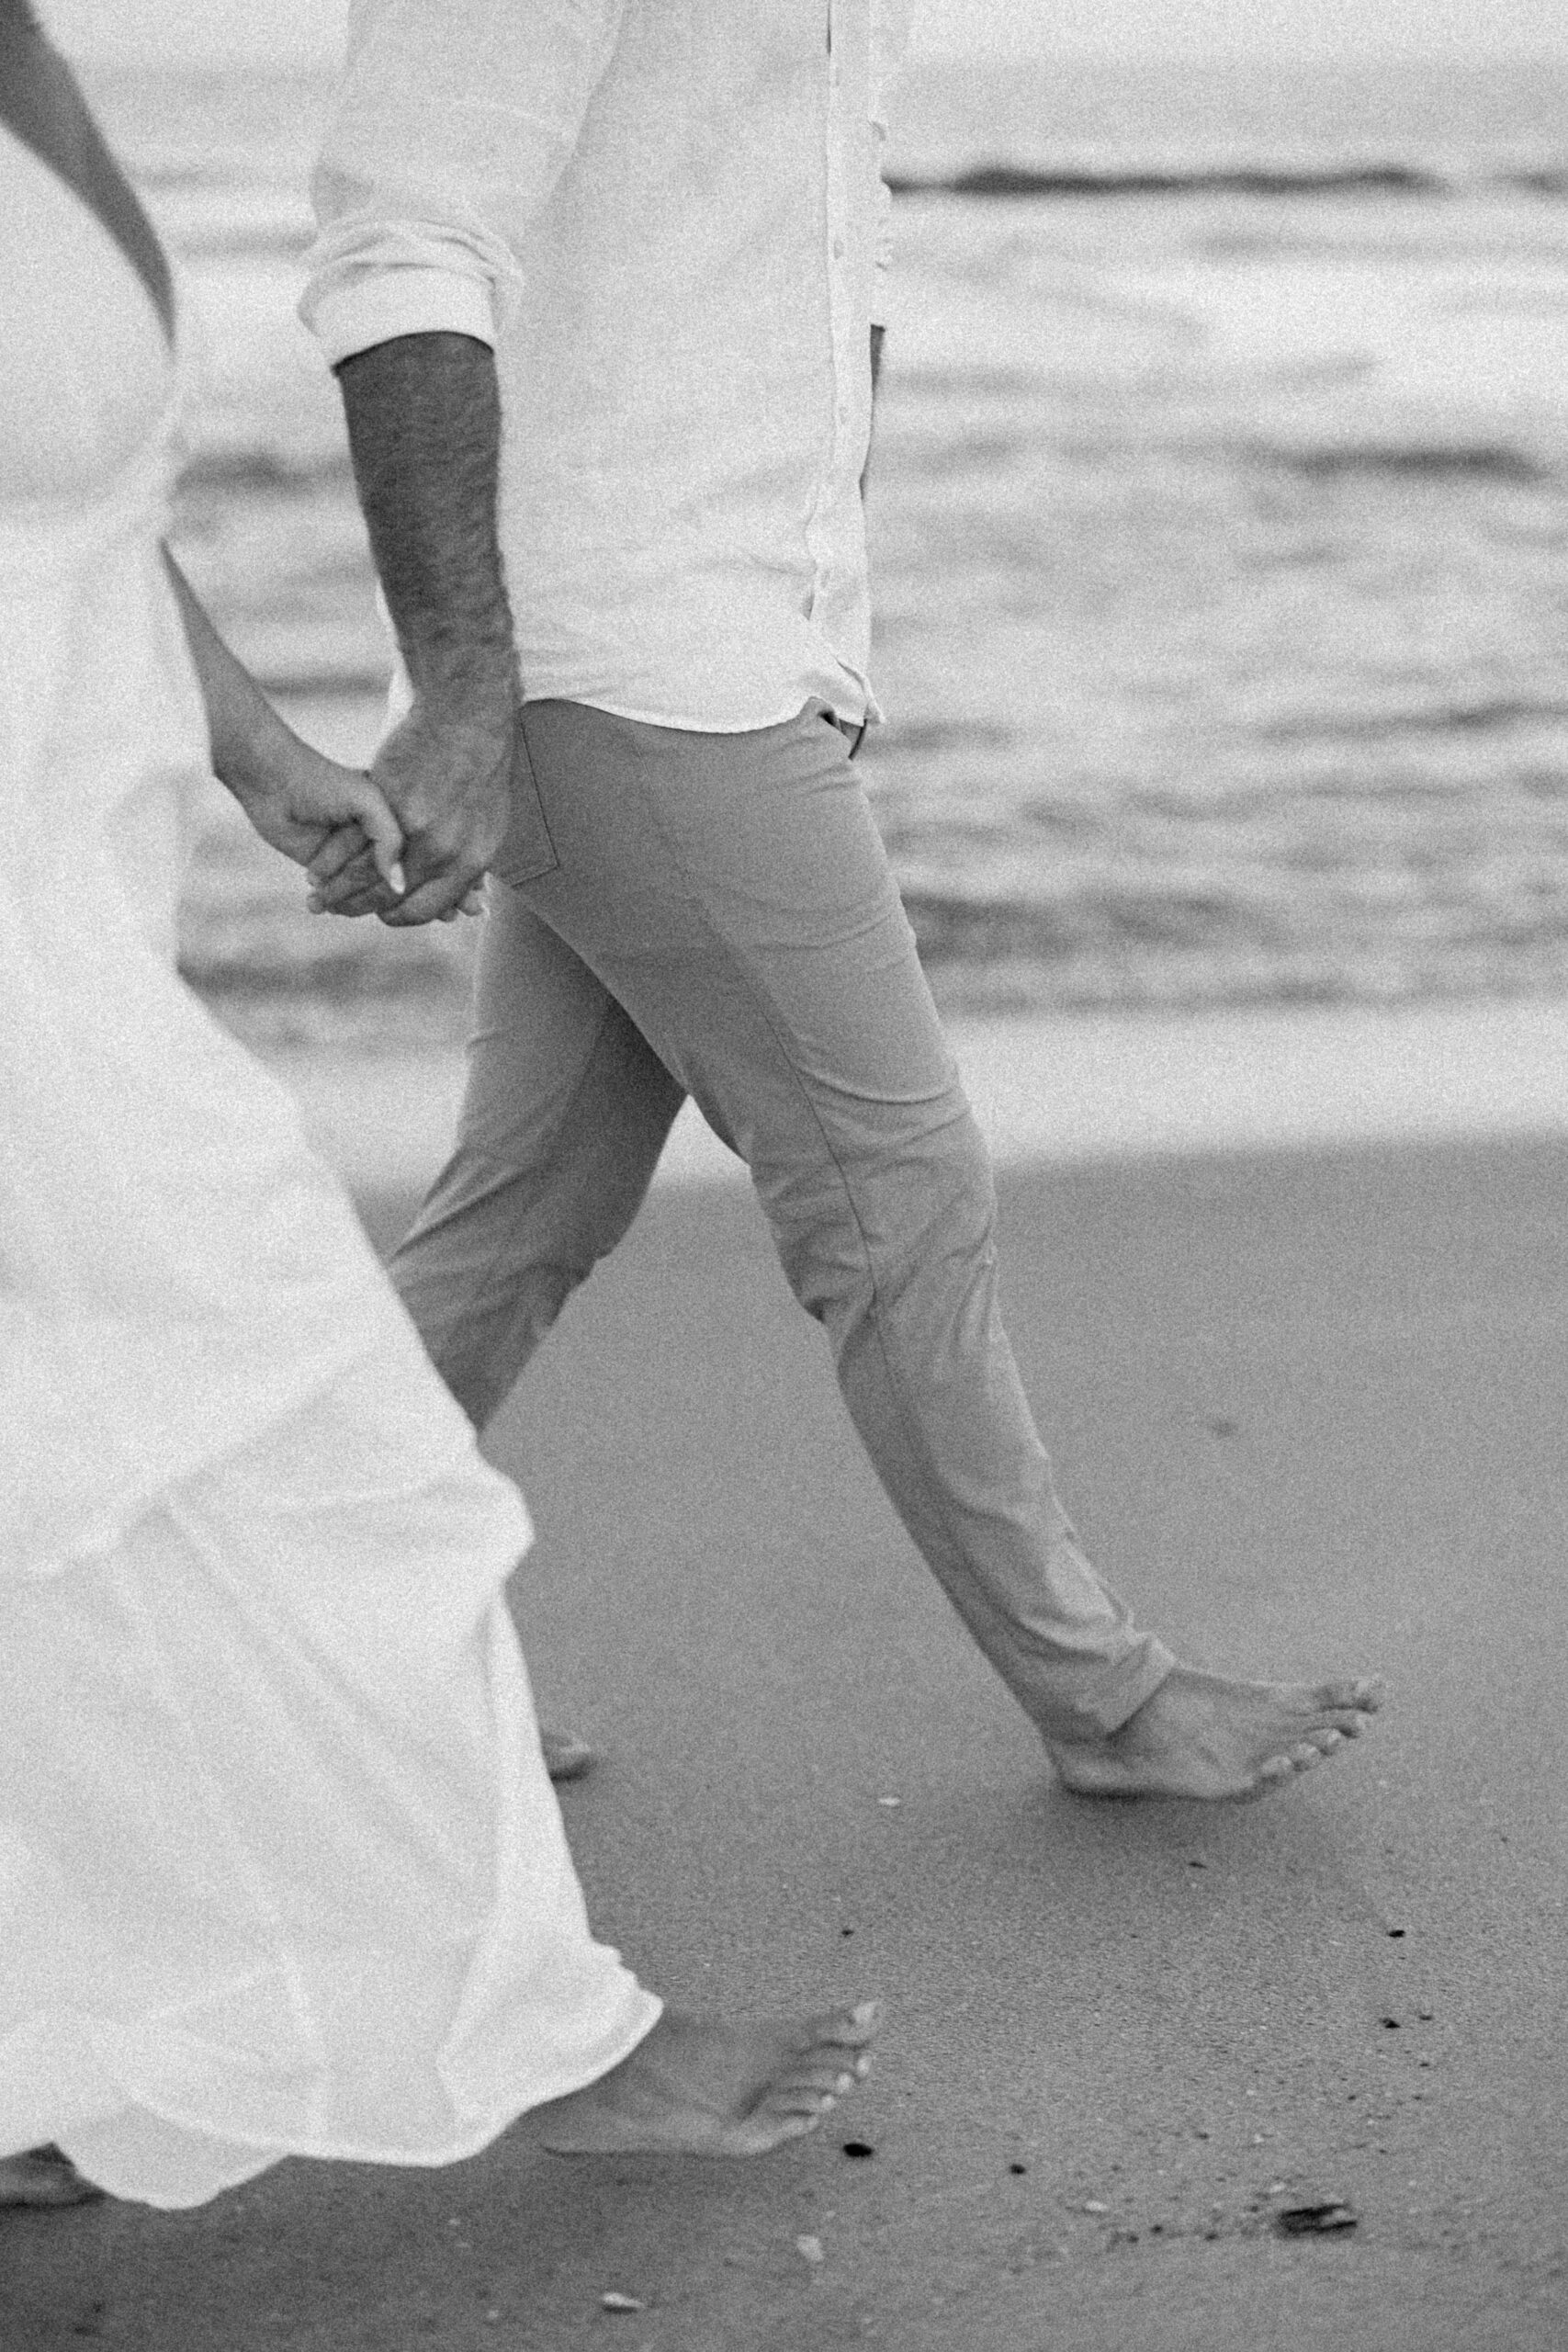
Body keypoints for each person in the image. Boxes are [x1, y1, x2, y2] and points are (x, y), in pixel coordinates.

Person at [299, 1, 1383, 1804]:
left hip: (721, 646)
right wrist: (468, 692)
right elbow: (397, 233)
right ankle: (1099, 1696)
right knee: (899, 1189)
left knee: (521, 1212)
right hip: (618, 659)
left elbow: (821, 240)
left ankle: (287, 1667)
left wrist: (819, 628)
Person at [0, 0, 876, 2214]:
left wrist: (261, 749)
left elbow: (66, 500)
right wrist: (470, 680)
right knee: (301, 1427)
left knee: (101, 1479)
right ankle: (546, 2027)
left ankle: (40, 2053)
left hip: (69, 890)